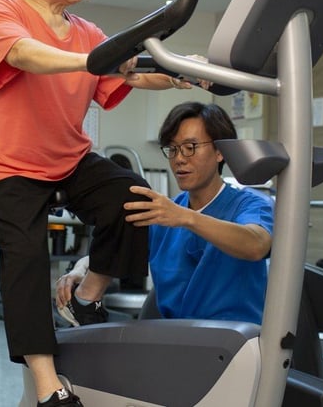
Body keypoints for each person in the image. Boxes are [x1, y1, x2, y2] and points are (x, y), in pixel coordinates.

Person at [0, 0, 201, 407]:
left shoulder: (88, 33)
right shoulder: (3, 9)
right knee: (25, 255)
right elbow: (25, 55)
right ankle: (49, 385)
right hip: (2, 164)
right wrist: (93, 60)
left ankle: (85, 298)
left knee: (134, 197)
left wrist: (180, 75)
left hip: (64, 159)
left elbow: (129, 73)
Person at [56, 102, 274, 324]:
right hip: (175, 340)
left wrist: (187, 217)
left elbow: (256, 245)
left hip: (236, 340)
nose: (179, 158)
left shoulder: (250, 204)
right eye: (173, 149)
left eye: (190, 147)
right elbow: (121, 247)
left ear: (220, 151)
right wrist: (81, 269)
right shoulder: (164, 213)